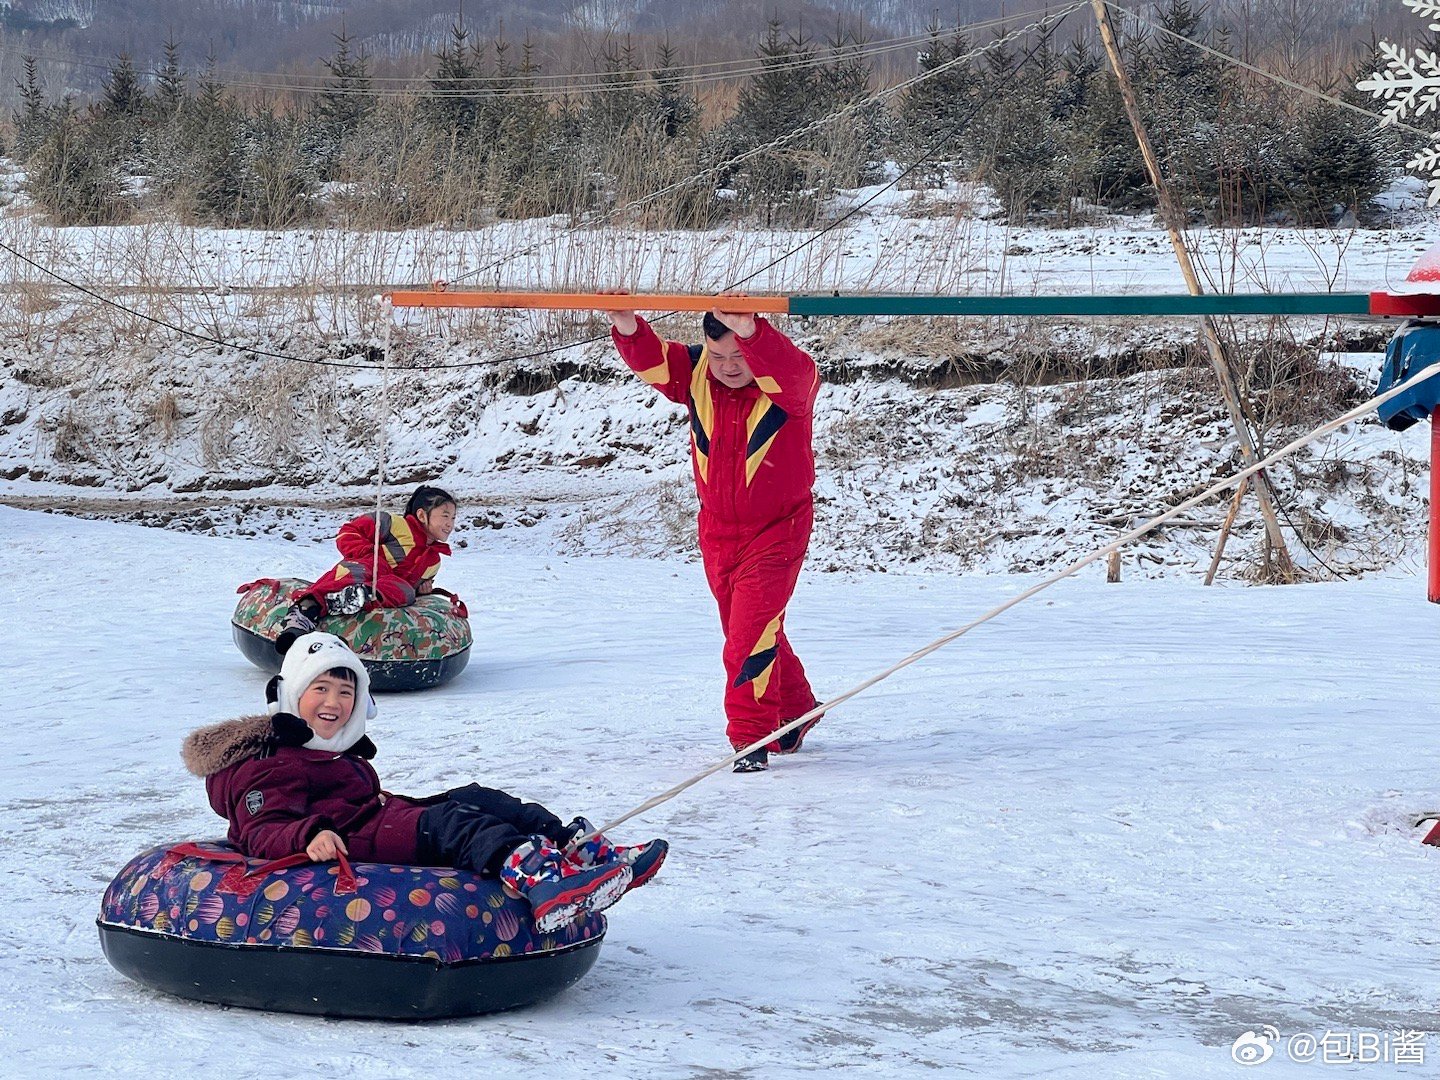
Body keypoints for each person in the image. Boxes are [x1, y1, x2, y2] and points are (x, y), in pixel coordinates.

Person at [183, 632, 667, 934]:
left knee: (478, 799)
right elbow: (260, 827)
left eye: (346, 691)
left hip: (374, 818)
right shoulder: (270, 760)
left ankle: (579, 851)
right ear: (292, 694)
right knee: (451, 824)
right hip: (351, 840)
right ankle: (546, 887)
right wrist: (307, 836)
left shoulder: (328, 749)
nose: (334, 702)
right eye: (320, 690)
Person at [602, 295, 823, 774]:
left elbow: (796, 371)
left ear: (754, 349)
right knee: (749, 629)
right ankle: (797, 708)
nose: (727, 367)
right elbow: (656, 361)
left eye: (738, 356)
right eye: (717, 356)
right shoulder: (697, 373)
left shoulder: (786, 384)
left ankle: (752, 736)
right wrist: (625, 322)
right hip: (718, 529)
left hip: (778, 529)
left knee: (747, 635)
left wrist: (752, 334)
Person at [275, 485, 458, 654]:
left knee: (405, 591)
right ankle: (301, 617)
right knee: (357, 572)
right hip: (363, 567)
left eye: (453, 518)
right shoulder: (393, 524)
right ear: (421, 515)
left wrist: (421, 590)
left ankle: (353, 598)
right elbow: (348, 532)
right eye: (445, 516)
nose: (450, 524)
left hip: (380, 589)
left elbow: (410, 589)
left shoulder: (434, 561)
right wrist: (370, 556)